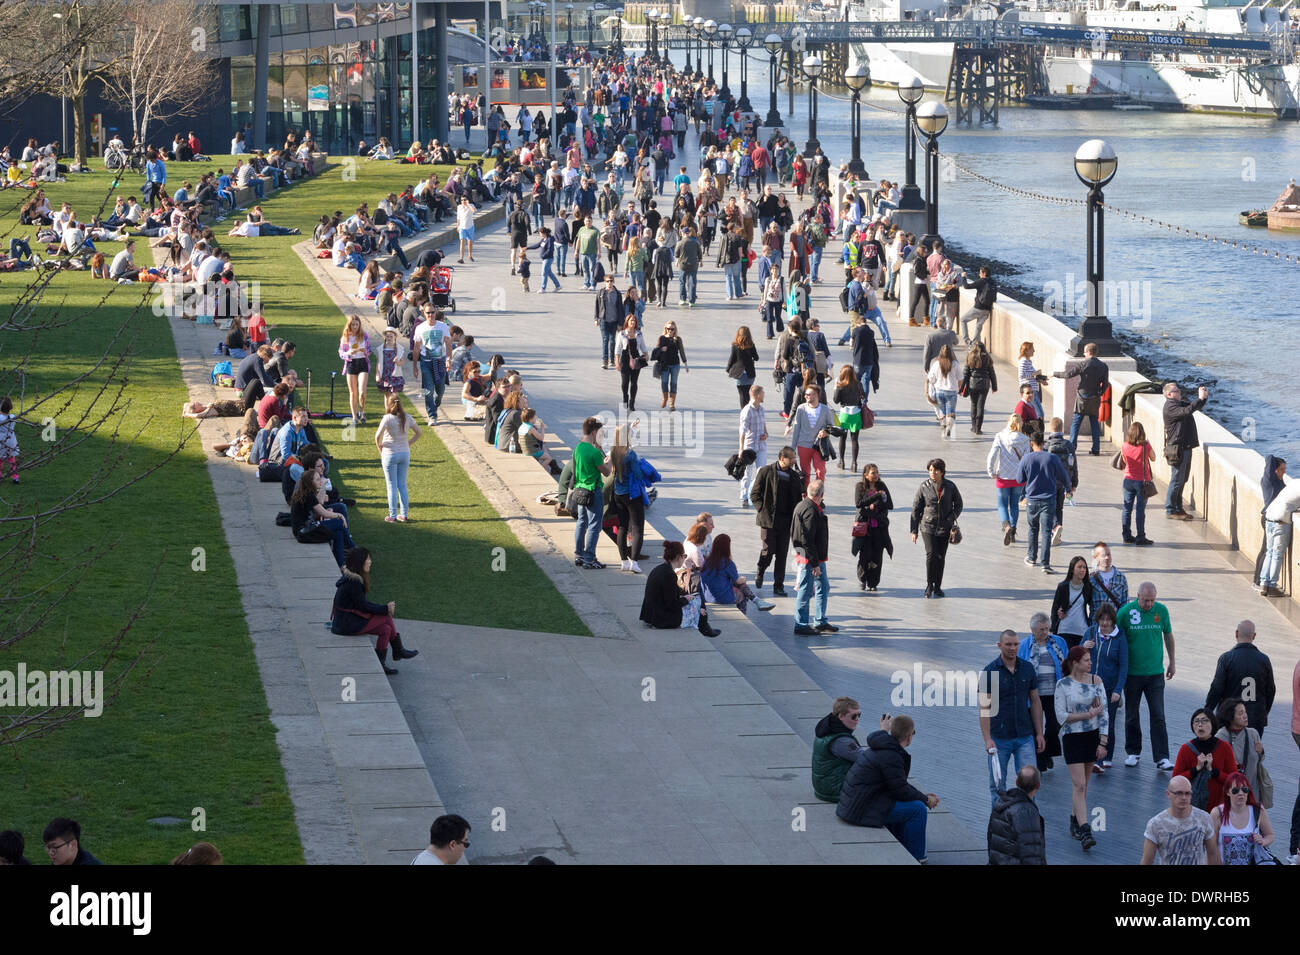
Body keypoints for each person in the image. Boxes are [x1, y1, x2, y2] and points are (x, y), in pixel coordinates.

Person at [835, 714, 938, 863]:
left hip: (854, 803)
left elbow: (897, 784)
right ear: (909, 737)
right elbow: (900, 789)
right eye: (913, 733)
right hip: (860, 810)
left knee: (911, 802)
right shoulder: (892, 755)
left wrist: (921, 795)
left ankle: (905, 845)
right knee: (918, 809)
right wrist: (925, 799)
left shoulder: (882, 746)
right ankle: (918, 857)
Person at [981, 630, 1047, 809]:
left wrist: (1039, 733)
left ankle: (1029, 821)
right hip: (999, 738)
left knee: (1031, 783)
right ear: (999, 645)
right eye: (1008, 644)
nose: (1012, 648)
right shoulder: (990, 672)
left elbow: (1035, 701)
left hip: (1024, 736)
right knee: (997, 786)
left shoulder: (1027, 668)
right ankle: (998, 826)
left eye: (1016, 644)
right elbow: (984, 708)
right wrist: (987, 739)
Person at [1117, 582, 1176, 771]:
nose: (1149, 604)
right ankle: (1133, 752)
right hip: (1132, 674)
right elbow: (1117, 638)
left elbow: (1168, 635)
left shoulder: (1162, 611)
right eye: (1145, 600)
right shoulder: (1125, 613)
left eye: (1152, 600)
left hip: (1155, 674)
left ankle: (1162, 757)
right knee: (1132, 714)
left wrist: (1172, 662)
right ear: (1137, 596)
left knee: (1158, 714)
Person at [331, 547, 417, 675]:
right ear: (360, 562)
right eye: (368, 559)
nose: (370, 562)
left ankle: (382, 664)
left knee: (386, 630)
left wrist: (383, 608)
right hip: (346, 624)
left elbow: (362, 605)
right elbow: (364, 606)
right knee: (386, 617)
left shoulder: (352, 578)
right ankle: (398, 650)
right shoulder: (354, 582)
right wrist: (386, 608)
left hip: (346, 621)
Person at [1056, 646, 1109, 850]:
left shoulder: (1096, 681)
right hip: (1072, 737)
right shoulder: (1063, 685)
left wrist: (1103, 741)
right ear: (1075, 662)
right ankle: (1086, 829)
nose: (1090, 663)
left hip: (1091, 736)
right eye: (1086, 660)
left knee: (1084, 785)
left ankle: (1075, 820)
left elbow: (1104, 713)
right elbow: (1061, 716)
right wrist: (1087, 715)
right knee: (1078, 784)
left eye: (1090, 660)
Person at [1205, 620, 1276, 735]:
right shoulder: (1264, 660)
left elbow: (1216, 688)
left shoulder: (1226, 658)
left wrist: (1208, 710)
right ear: (1254, 636)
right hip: (1254, 718)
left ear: (1236, 633)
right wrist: (1263, 712)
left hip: (1229, 717)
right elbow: (1271, 691)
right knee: (1252, 750)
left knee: (1228, 751)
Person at [638, 540, 718, 637]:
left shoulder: (660, 569)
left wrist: (685, 598)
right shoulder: (669, 575)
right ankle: (705, 627)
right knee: (697, 600)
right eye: (684, 556)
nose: (684, 559)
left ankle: (704, 626)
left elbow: (668, 597)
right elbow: (672, 604)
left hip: (651, 614)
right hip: (661, 619)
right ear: (678, 557)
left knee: (694, 600)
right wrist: (686, 600)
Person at [1021, 613, 1068, 774]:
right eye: (1041, 629)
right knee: (1035, 727)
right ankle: (1040, 761)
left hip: (1055, 692)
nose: (1045, 632)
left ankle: (1047, 750)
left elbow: (1067, 664)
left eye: (1047, 628)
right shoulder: (1024, 645)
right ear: (1033, 630)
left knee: (1054, 724)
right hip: (1033, 694)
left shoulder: (1059, 642)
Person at [1017, 432, 1071, 574]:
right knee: (1047, 531)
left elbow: (1019, 479)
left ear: (1031, 443)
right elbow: (1063, 475)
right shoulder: (1052, 458)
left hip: (1032, 500)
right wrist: (1069, 489)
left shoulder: (1026, 458)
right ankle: (1045, 563)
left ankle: (1031, 557)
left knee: (1033, 529)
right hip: (1049, 499)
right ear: (1044, 443)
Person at [751, 446, 802, 597]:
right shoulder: (766, 471)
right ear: (782, 458)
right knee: (768, 551)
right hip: (768, 521)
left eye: (794, 458)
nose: (794, 461)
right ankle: (760, 570)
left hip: (785, 522)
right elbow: (755, 494)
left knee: (782, 555)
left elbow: (798, 500)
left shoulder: (794, 476)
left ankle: (778, 585)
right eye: (791, 458)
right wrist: (762, 509)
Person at [910, 458, 963, 598]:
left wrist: (951, 518)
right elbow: (916, 509)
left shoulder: (950, 486)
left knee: (940, 557)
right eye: (930, 470)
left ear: (942, 471)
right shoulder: (924, 486)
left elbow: (958, 504)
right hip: (928, 526)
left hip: (945, 527)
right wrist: (914, 530)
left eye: (936, 470)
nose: (932, 473)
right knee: (931, 554)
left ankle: (938, 586)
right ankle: (929, 585)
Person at [610, 424, 659, 574]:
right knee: (637, 528)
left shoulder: (613, 452)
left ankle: (624, 560)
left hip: (619, 493)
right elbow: (638, 474)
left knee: (623, 527)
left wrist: (629, 427)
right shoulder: (630, 454)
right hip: (632, 495)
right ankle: (635, 562)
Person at [790, 478, 835, 636]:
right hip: (811, 558)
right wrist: (814, 563)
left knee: (823, 586)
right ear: (821, 494)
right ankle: (801, 624)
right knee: (806, 589)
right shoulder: (811, 510)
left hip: (810, 556)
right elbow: (807, 539)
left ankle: (820, 620)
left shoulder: (802, 505)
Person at [1141, 776, 1221, 865]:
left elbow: (1213, 853)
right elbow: (1147, 860)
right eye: (1178, 793)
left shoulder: (1204, 818)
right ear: (1168, 794)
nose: (1184, 797)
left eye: (1187, 793)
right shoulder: (1156, 824)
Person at [1085, 601, 1127, 770]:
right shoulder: (1090, 633)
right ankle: (1094, 757)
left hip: (1109, 688)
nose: (1104, 623)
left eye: (1108, 620)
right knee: (1091, 721)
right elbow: (1077, 656)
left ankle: (1105, 757)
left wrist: (1118, 690)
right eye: (1102, 619)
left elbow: (1124, 666)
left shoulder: (1120, 637)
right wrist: (1083, 647)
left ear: (1112, 621)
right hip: (1090, 686)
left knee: (1107, 722)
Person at [1173, 708, 1239, 812]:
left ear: (1213, 724)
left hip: (1218, 809)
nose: (1200, 724)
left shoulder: (1224, 748)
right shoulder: (1186, 749)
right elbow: (1175, 780)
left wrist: (1213, 771)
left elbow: (1234, 780)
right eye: (1196, 721)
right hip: (1190, 809)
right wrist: (1196, 769)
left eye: (1205, 720)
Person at [1162, 381, 1209, 519]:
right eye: (1177, 391)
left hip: (1185, 447)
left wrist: (1203, 398)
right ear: (1169, 394)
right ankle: (1170, 509)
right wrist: (1199, 399)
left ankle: (1178, 508)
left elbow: (1191, 407)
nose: (1180, 392)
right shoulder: (1170, 407)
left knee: (1182, 479)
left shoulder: (1177, 403)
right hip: (1177, 448)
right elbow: (1186, 411)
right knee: (1176, 479)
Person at [1210, 772, 1277, 865]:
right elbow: (1210, 848)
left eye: (1244, 789)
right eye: (1235, 790)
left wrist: (1263, 841)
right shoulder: (1217, 813)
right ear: (1227, 792)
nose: (1241, 793)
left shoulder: (1258, 810)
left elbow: (1270, 835)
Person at [1055, 343, 1110, 456]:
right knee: (1094, 423)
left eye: (1085, 352)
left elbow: (1068, 374)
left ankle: (1072, 447)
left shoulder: (1083, 364)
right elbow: (1105, 385)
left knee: (1076, 423)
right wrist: (1099, 393)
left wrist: (1054, 374)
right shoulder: (1103, 366)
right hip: (1095, 397)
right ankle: (1096, 449)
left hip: (1082, 397)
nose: (1084, 354)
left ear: (1089, 352)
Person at [374, 393, 420, 523]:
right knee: (402, 485)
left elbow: (377, 436)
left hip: (390, 454)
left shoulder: (387, 418)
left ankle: (393, 516)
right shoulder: (407, 417)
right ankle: (404, 515)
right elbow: (419, 432)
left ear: (388, 404)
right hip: (404, 454)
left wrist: (380, 448)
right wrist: (409, 443)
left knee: (391, 486)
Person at [572, 416, 611, 570]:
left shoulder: (578, 447)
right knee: (594, 525)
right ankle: (589, 558)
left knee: (581, 523)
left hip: (579, 490)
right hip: (593, 492)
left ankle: (579, 554)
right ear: (594, 432)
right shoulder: (594, 453)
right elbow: (607, 473)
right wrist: (609, 462)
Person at [987, 766, 1046, 865]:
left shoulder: (1002, 804)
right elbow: (1031, 853)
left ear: (1017, 782)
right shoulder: (1027, 812)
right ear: (1038, 785)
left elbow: (991, 841)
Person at [701, 534, 774, 614]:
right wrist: (744, 579)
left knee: (736, 584)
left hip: (707, 597)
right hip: (722, 598)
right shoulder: (727, 563)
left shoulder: (706, 561)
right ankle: (751, 606)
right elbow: (738, 581)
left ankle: (757, 600)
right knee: (742, 593)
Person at [987, 414, 1029, 547]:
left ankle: (1006, 526)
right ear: (1020, 424)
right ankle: (1013, 530)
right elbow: (1027, 458)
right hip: (1018, 477)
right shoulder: (1025, 439)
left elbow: (992, 455)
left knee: (1002, 505)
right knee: (1015, 505)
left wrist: (991, 471)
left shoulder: (1000, 436)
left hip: (1003, 476)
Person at [812, 697, 865, 803]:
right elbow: (867, 758)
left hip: (825, 786)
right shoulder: (841, 741)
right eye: (854, 716)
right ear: (840, 716)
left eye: (859, 715)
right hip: (835, 790)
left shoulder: (827, 728)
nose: (857, 719)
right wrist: (883, 733)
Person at [1259, 465, 1300, 597]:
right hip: (1280, 522)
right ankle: (1272, 586)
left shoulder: (1294, 483)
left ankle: (1263, 583)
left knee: (1269, 552)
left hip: (1269, 518)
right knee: (1277, 554)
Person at [853, 464, 894, 592]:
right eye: (872, 473)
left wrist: (875, 504)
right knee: (865, 554)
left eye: (876, 472)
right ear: (866, 475)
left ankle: (873, 582)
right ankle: (863, 579)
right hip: (864, 526)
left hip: (879, 526)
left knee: (877, 555)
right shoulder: (860, 487)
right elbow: (859, 504)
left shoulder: (881, 486)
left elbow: (890, 505)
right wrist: (876, 497)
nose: (875, 475)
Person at [785, 382, 833, 490]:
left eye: (808, 394)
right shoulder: (801, 409)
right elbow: (797, 428)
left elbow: (831, 426)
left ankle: (818, 496)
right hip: (803, 445)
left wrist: (826, 432)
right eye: (805, 394)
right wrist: (793, 448)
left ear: (816, 395)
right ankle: (806, 496)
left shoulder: (825, 410)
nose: (805, 396)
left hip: (819, 446)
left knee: (820, 471)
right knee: (805, 473)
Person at [1214, 698, 1265, 797]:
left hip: (1251, 791)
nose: (1245, 716)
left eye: (1245, 712)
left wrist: (1261, 752)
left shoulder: (1253, 734)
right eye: (1240, 713)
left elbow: (1259, 760)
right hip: (1229, 793)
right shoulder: (1220, 737)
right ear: (1230, 717)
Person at [1120, 421, 1157, 545]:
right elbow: (1153, 458)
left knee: (1127, 509)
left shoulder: (1124, 445)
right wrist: (1149, 444)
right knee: (1140, 510)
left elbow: (1124, 460)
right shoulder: (1145, 446)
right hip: (1142, 481)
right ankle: (1141, 537)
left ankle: (1126, 535)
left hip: (1128, 480)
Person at [416, 305, 451, 425]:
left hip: (440, 361)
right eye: (428, 313)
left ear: (435, 313)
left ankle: (436, 403)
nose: (430, 315)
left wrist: (449, 359)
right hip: (426, 362)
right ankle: (432, 415)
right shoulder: (420, 328)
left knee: (440, 390)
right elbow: (416, 348)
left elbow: (448, 343)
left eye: (432, 312)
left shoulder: (443, 327)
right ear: (424, 313)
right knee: (429, 389)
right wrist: (415, 365)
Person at [1050, 556, 1094, 649]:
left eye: (1084, 567)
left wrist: (1091, 624)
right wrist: (1052, 629)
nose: (1082, 570)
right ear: (1072, 569)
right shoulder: (1063, 586)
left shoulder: (1087, 587)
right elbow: (1054, 609)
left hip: (1081, 630)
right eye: (1079, 567)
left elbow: (1093, 607)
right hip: (1065, 630)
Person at [737, 384, 768, 508]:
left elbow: (763, 423)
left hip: (761, 446)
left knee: (762, 472)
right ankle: (744, 496)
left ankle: (756, 494)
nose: (764, 395)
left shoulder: (761, 409)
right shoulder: (747, 410)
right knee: (747, 473)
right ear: (758, 395)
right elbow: (742, 431)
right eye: (763, 393)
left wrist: (766, 433)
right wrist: (741, 449)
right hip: (749, 447)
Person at [832, 365, 866, 473]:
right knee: (854, 439)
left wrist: (836, 388)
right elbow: (863, 396)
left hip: (844, 414)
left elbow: (836, 401)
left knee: (842, 438)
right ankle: (854, 463)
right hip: (856, 413)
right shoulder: (858, 384)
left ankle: (841, 461)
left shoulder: (840, 386)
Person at [338, 315, 370, 424]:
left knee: (362, 391)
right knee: (353, 392)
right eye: (353, 324)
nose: (355, 326)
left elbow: (369, 349)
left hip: (362, 363)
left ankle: (362, 412)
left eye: (357, 324)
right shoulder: (345, 337)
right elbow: (341, 353)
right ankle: (354, 416)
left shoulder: (364, 336)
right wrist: (348, 353)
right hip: (351, 363)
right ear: (349, 325)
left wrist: (366, 351)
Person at [926, 344, 962, 440]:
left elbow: (931, 378)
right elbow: (960, 378)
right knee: (951, 412)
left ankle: (943, 431)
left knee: (942, 412)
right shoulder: (955, 364)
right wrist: (958, 388)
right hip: (952, 391)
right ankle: (950, 429)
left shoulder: (937, 364)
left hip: (939, 391)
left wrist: (934, 384)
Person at [651, 320, 688, 410]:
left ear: (675, 329)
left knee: (673, 384)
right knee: (664, 383)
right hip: (664, 365)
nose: (670, 331)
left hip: (675, 365)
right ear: (665, 329)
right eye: (668, 329)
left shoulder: (678, 339)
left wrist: (685, 364)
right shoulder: (661, 338)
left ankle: (672, 404)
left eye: (672, 329)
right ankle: (665, 398)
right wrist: (661, 349)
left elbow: (682, 351)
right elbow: (655, 351)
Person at [961, 341, 996, 436]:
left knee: (973, 404)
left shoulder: (970, 356)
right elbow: (992, 373)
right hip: (984, 385)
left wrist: (961, 388)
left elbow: (965, 374)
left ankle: (973, 426)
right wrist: (994, 386)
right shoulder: (987, 357)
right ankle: (978, 428)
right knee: (981, 406)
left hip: (973, 384)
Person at [614, 315, 648, 411]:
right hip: (625, 358)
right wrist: (617, 362)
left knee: (634, 382)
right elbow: (617, 349)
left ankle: (632, 402)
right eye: (631, 320)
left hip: (636, 358)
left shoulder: (639, 334)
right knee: (625, 382)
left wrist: (646, 354)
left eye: (634, 321)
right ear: (627, 322)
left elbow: (643, 346)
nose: (633, 322)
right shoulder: (622, 334)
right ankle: (625, 399)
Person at [595, 272, 625, 371]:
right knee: (605, 339)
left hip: (614, 321)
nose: (609, 283)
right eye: (607, 281)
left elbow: (621, 309)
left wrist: (621, 323)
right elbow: (597, 306)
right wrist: (596, 318)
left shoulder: (617, 293)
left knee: (612, 340)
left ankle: (612, 359)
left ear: (613, 282)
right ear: (604, 282)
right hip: (603, 320)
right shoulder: (600, 293)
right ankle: (605, 361)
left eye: (611, 281)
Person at [960, 265, 997, 345]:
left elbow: (966, 286)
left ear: (984, 273)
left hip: (979, 308)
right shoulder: (993, 282)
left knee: (963, 319)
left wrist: (963, 277)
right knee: (978, 326)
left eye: (980, 273)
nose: (979, 275)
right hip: (987, 309)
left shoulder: (981, 281)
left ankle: (967, 340)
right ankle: (975, 344)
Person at [728, 325, 761, 409]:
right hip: (750, 373)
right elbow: (756, 358)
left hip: (739, 374)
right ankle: (749, 410)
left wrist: (728, 369)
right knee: (749, 393)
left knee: (742, 395)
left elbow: (732, 359)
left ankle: (744, 412)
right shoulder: (751, 345)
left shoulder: (735, 346)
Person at [0, 396, 18, 484]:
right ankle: (15, 477)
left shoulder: (0, 418)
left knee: (0, 459)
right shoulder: (13, 417)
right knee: (11, 459)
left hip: (2, 440)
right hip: (11, 440)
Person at [455, 195, 477, 263]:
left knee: (470, 242)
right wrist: (458, 226)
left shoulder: (471, 205)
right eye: (462, 200)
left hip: (470, 226)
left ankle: (470, 255)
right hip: (462, 227)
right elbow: (458, 217)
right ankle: (461, 258)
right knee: (462, 241)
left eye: (464, 199)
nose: (463, 201)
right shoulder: (459, 207)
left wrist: (468, 204)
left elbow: (474, 211)